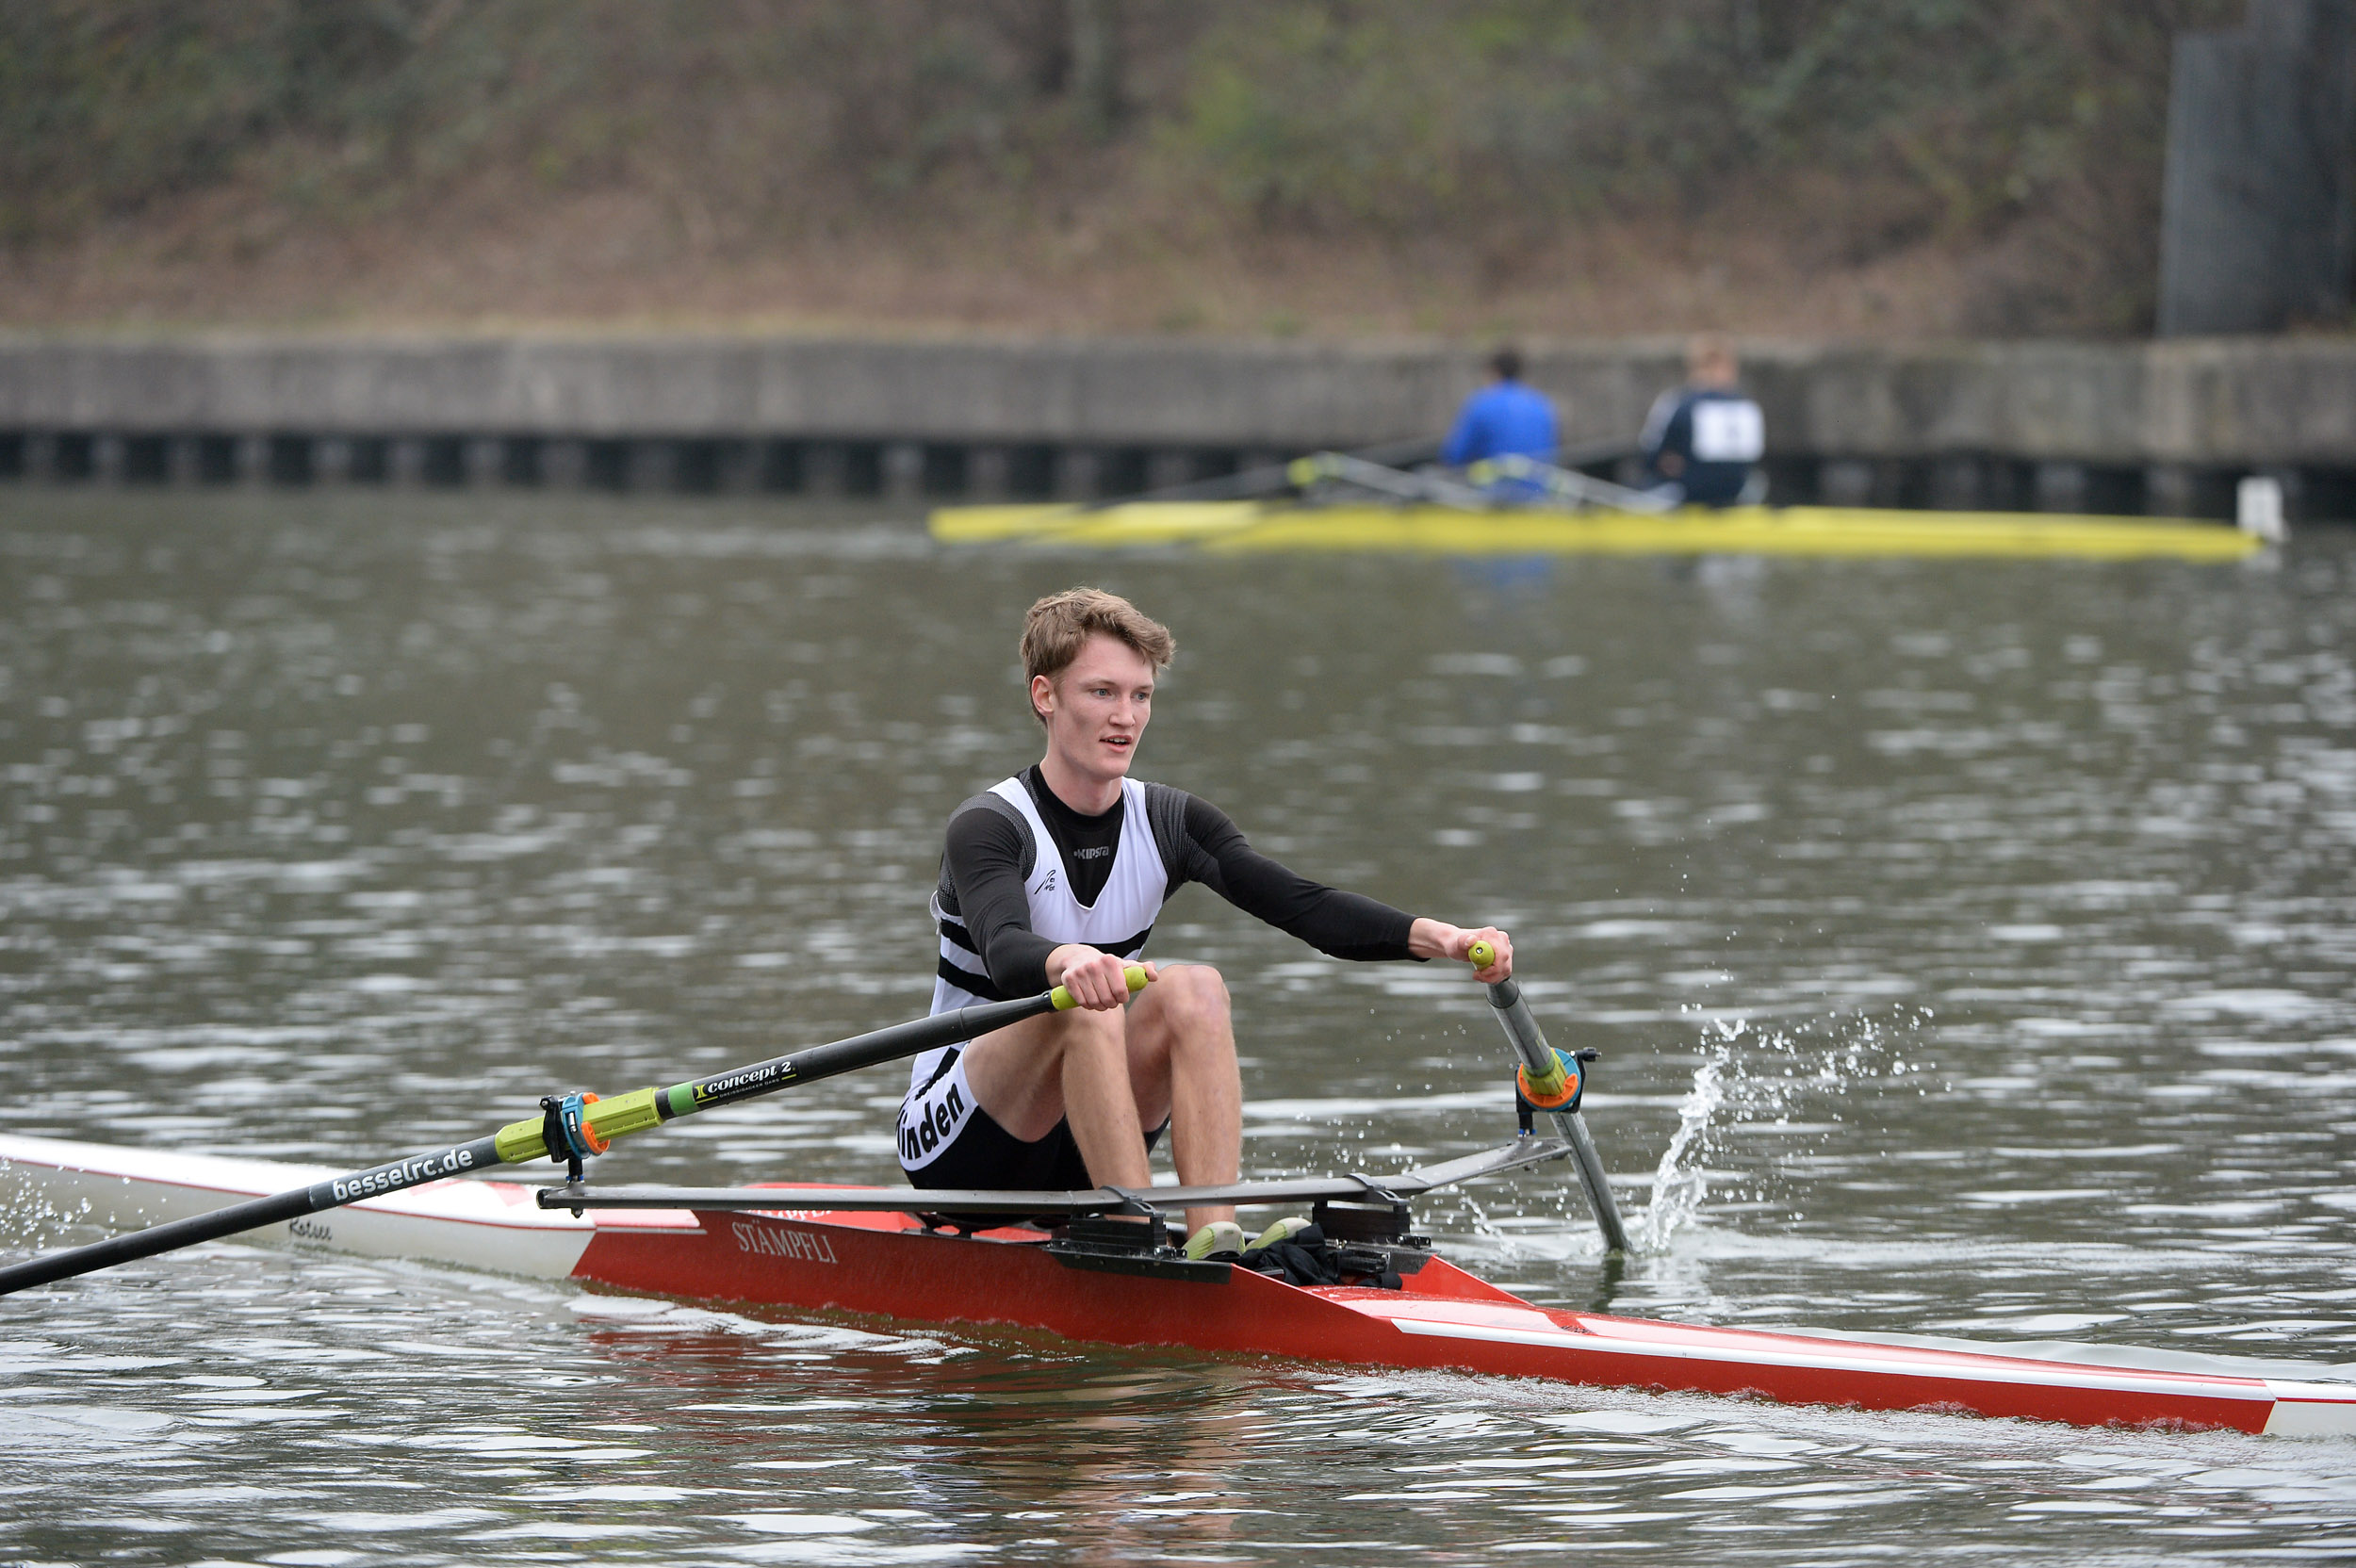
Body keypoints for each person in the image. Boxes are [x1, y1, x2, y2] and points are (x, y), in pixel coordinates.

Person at [899, 587, 1513, 1259]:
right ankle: (1133, 1239)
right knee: (1085, 1002)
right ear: (1045, 696)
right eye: (1102, 693)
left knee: (1197, 988)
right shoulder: (989, 826)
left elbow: (1302, 905)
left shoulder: (1169, 822)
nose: (1125, 718)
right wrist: (1067, 959)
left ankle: (1211, 1242)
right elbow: (1004, 948)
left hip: (1083, 1142)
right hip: (962, 1150)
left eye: (1141, 695)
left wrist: (1445, 939)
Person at [1639, 334, 1765, 507]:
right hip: (1736, 495)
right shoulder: (1747, 406)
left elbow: (1651, 454)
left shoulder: (1679, 403)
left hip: (1684, 495)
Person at [1442, 346, 1560, 471]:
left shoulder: (1482, 404)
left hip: (1495, 487)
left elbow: (1455, 456)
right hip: (1538, 486)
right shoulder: (1542, 404)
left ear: (1494, 371)